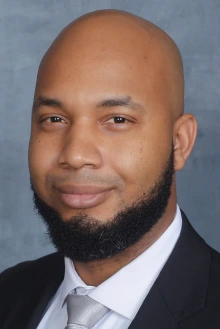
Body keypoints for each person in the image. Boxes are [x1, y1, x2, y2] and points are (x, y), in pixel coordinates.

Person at [0, 9, 220, 329]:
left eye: (117, 120)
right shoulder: (10, 294)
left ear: (179, 143)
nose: (75, 155)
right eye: (54, 119)